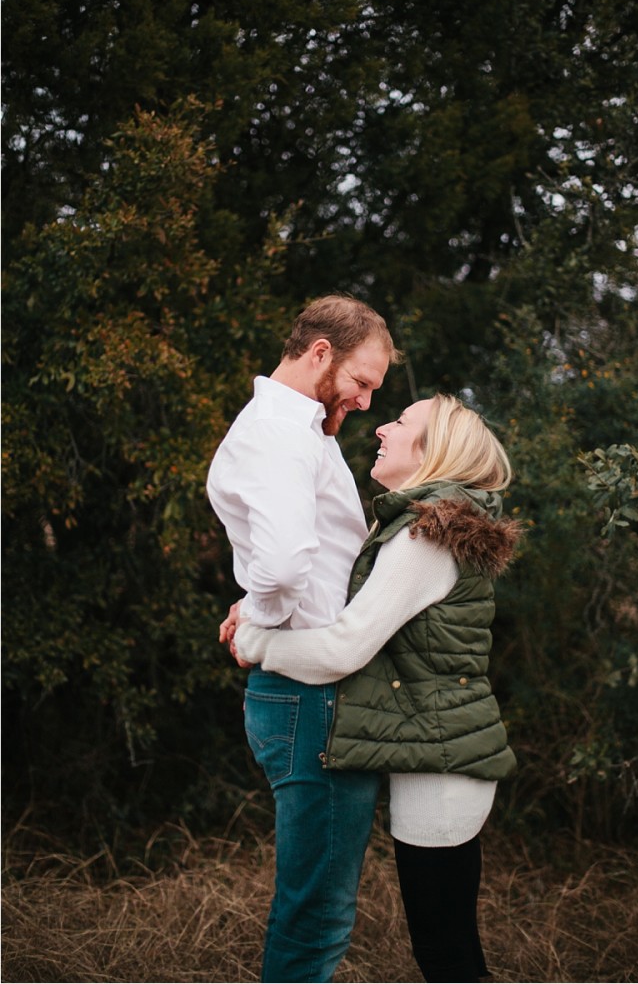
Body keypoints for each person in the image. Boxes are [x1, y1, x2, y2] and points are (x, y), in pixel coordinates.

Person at [230, 393, 521, 984]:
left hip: (442, 767)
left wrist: (256, 644)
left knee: (447, 956)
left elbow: (344, 647)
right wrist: (253, 606)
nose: (383, 425)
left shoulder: (426, 537)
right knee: (447, 950)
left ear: (432, 449)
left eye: (402, 422)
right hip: (434, 754)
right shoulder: (416, 525)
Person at [206, 294, 398, 982]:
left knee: (318, 904)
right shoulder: (282, 433)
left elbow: (300, 561)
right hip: (307, 695)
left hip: (309, 687)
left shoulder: (297, 431)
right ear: (322, 352)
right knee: (316, 912)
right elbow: (284, 563)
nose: (367, 401)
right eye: (361, 381)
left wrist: (250, 599)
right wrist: (258, 608)